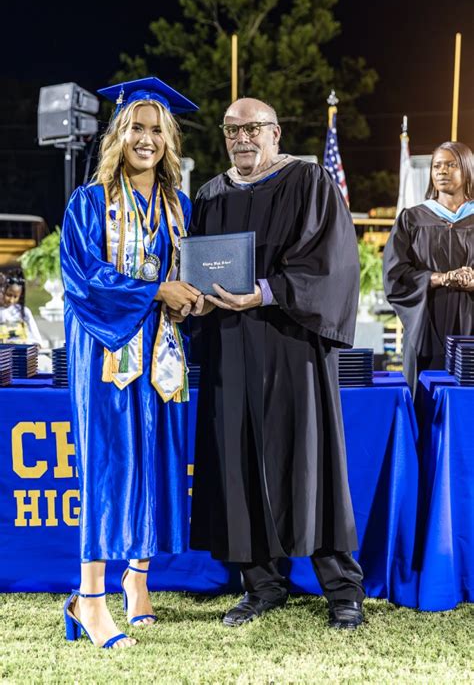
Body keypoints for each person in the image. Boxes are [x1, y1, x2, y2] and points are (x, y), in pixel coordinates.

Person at [189, 97, 365, 629]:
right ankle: (261, 584)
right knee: (237, 460)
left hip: (292, 346)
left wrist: (264, 291)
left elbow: (334, 263)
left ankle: (342, 590)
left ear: (276, 133)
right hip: (230, 348)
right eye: (232, 130)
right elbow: (197, 263)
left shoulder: (309, 182)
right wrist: (195, 297)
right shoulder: (211, 194)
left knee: (308, 461)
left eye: (254, 129)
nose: (243, 138)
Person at [60, 77, 201, 648]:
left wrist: (189, 298)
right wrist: (155, 294)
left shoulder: (178, 207)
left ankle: (136, 580)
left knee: (152, 459)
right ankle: (89, 598)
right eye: (137, 128)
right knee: (107, 462)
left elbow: (185, 275)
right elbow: (80, 278)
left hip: (163, 354)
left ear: (169, 142)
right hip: (106, 350)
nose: (147, 139)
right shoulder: (89, 203)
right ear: (118, 135)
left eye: (157, 131)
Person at [383, 141, 474, 391]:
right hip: (426, 321)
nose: (442, 171)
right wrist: (442, 278)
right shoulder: (412, 219)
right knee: (426, 397)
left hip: (471, 321)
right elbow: (395, 275)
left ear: (467, 169)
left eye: (451, 164)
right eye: (437, 166)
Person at [0, 271, 42, 345]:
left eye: (15, 296)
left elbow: (37, 341)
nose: (11, 300)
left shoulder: (24, 312)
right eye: (8, 295)